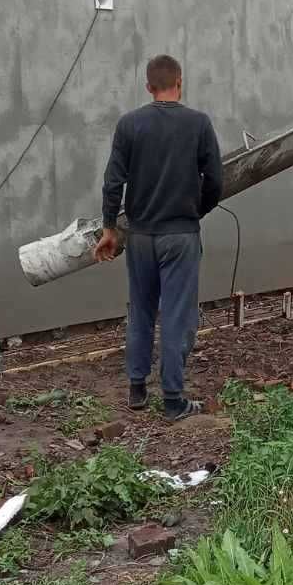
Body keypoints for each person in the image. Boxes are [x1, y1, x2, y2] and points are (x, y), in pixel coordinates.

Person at [94, 54, 223, 420]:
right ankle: (173, 400)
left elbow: (112, 181)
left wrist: (108, 229)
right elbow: (215, 179)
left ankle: (136, 389)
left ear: (149, 87)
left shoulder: (129, 125)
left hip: (140, 237)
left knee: (142, 310)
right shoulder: (198, 124)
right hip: (179, 235)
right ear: (180, 82)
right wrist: (198, 210)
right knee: (177, 316)